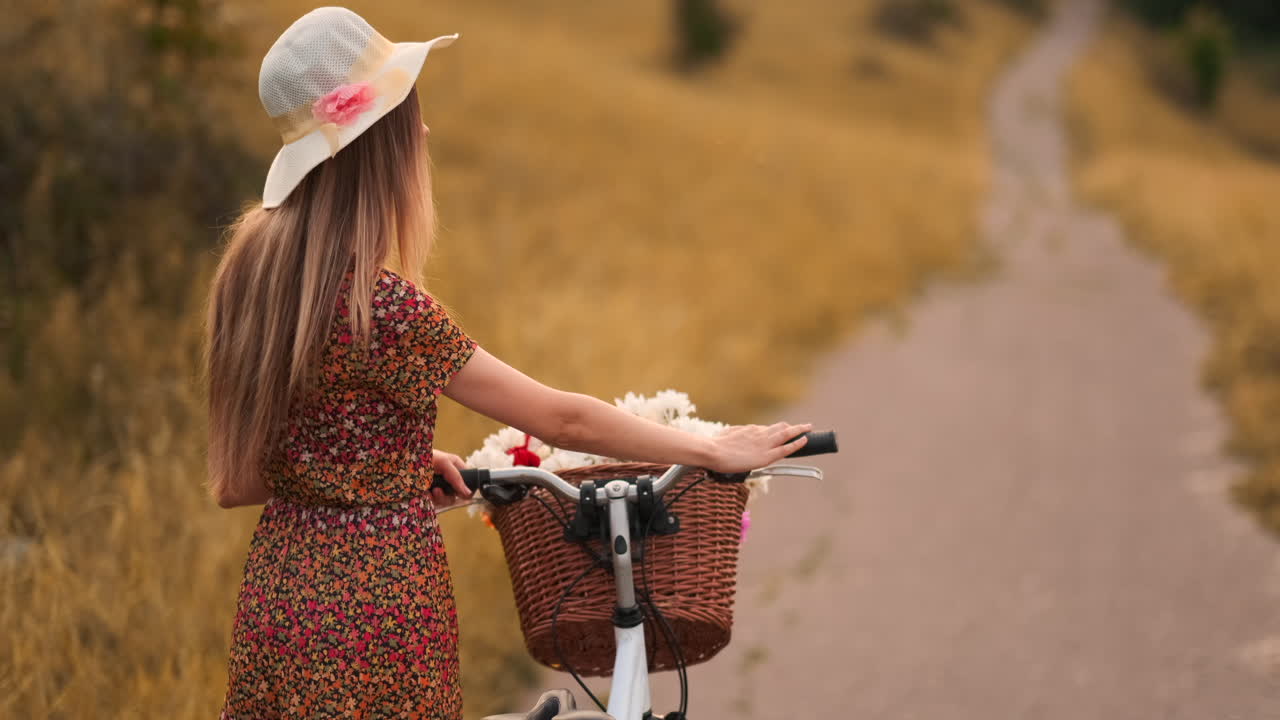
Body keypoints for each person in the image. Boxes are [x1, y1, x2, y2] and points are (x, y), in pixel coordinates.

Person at [207, 7, 810, 718]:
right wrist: (711, 447)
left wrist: (391, 466)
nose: (425, 132)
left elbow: (237, 482)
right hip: (378, 611)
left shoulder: (250, 277)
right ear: (383, 142)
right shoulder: (385, 309)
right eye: (412, 114)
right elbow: (558, 417)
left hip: (280, 601)